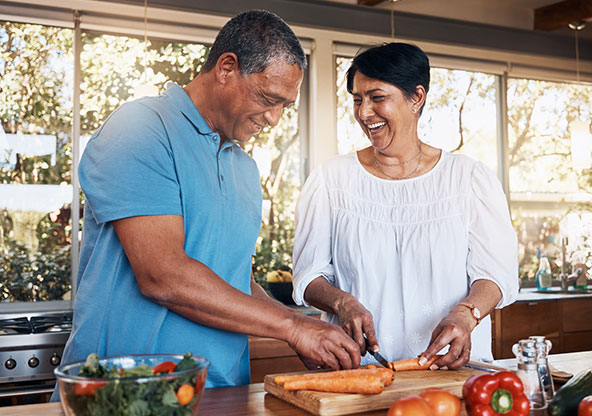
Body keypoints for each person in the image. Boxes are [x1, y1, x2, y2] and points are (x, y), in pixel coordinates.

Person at [53, 10, 360, 399]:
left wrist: (304, 329)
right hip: (126, 394)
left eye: (285, 104)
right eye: (268, 99)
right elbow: (162, 274)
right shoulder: (141, 129)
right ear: (226, 68)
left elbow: (234, 281)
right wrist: (294, 328)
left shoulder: (244, 168)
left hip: (221, 394)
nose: (275, 118)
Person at [292, 42, 518, 370]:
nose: (364, 113)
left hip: (451, 372)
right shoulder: (331, 180)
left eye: (377, 97)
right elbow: (308, 276)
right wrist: (342, 302)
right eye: (357, 99)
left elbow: (496, 275)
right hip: (360, 372)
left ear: (417, 98)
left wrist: (466, 315)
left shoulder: (468, 179)